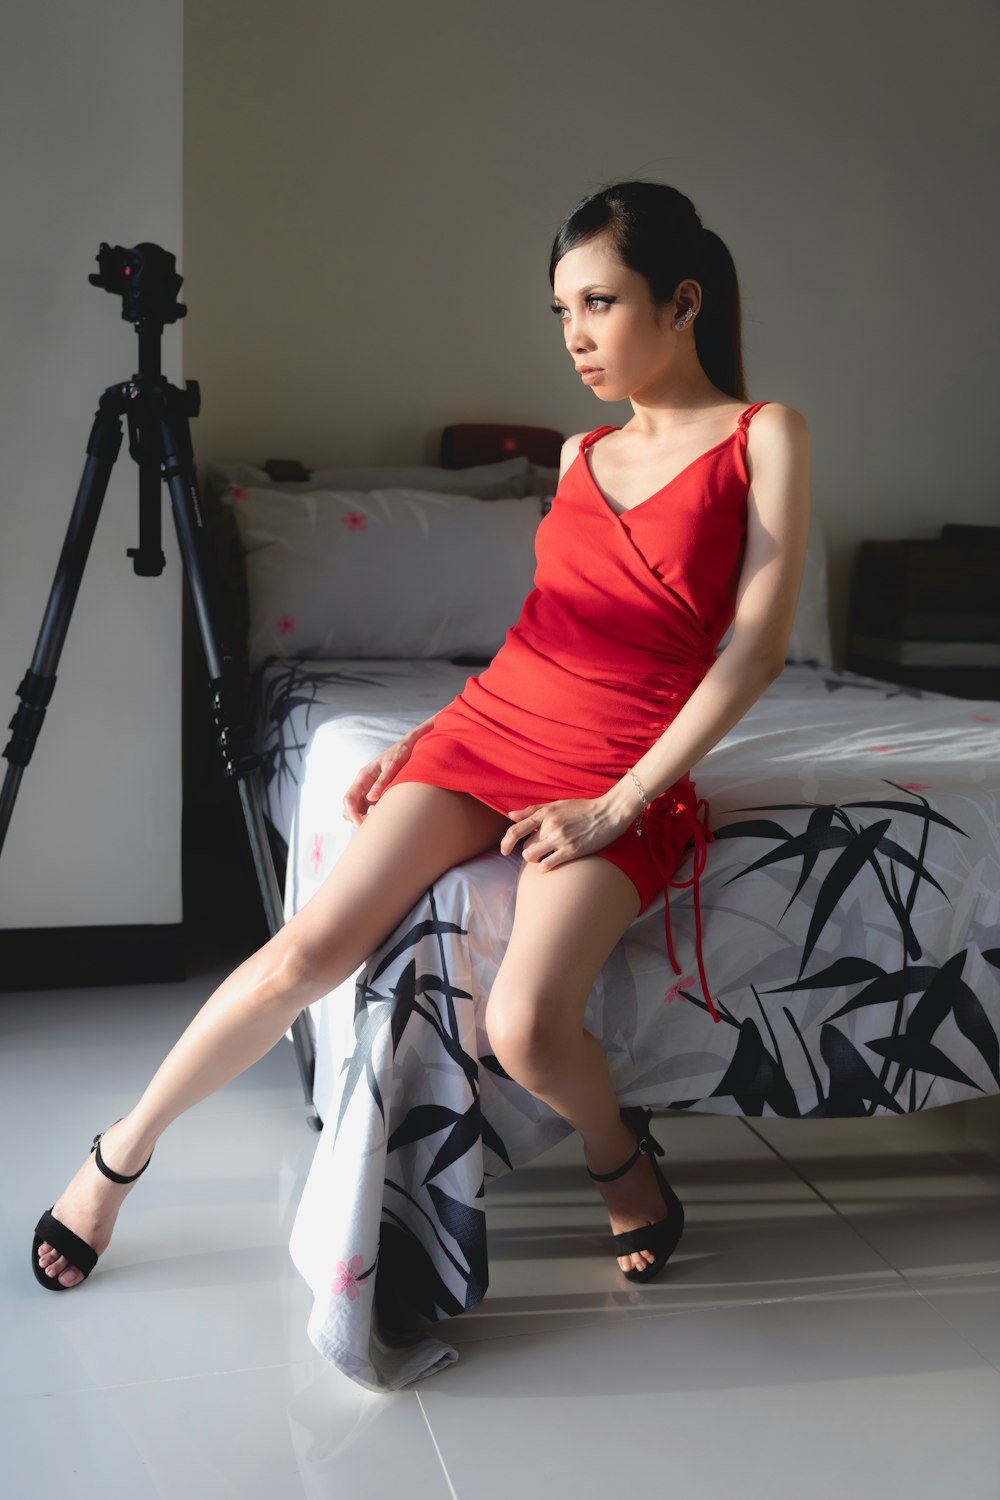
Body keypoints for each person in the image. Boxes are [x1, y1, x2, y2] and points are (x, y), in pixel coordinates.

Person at [32, 179, 811, 1293]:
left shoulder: (762, 434)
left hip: (619, 767)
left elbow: (754, 651)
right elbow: (542, 633)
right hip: (496, 732)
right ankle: (118, 1156)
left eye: (597, 303)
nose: (575, 338)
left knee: (529, 1026)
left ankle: (620, 1156)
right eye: (560, 313)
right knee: (305, 953)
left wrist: (620, 803)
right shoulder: (581, 455)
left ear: (682, 301)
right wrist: (433, 731)